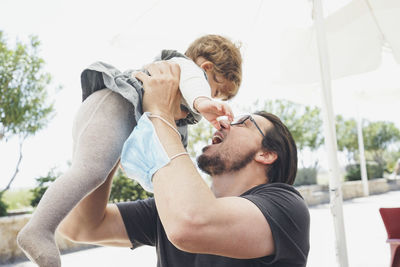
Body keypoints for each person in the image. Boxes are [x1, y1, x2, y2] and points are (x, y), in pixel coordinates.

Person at [17, 34, 242, 267]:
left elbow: (172, 163)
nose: (212, 98)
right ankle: (39, 228)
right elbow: (195, 83)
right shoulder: (182, 68)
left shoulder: (177, 111)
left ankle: (40, 228)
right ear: (206, 68)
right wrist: (203, 101)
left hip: (110, 115)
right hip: (114, 105)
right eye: (216, 91)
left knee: (92, 172)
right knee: (91, 171)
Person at [58, 61, 310, 266]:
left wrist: (160, 111)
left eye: (242, 123)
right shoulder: (168, 208)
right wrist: (111, 134)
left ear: (266, 154)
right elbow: (78, 226)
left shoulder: (285, 207)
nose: (223, 122)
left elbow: (191, 223)